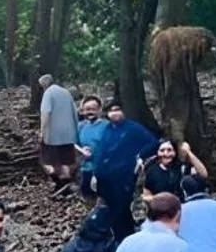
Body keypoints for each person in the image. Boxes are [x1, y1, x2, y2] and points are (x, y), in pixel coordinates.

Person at [88, 101, 160, 241]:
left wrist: (140, 156)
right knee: (109, 210)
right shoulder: (107, 129)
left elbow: (152, 141)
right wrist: (95, 174)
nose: (115, 113)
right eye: (112, 110)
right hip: (105, 177)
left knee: (123, 209)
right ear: (107, 114)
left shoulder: (133, 128)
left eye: (118, 110)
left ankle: (127, 238)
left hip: (124, 176)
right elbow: (100, 153)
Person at [37, 76, 82, 195]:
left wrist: (42, 132)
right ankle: (67, 184)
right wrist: (75, 130)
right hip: (68, 132)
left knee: (47, 161)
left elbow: (46, 114)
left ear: (43, 85)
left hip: (53, 134)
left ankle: (59, 184)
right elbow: (75, 113)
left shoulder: (48, 93)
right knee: (66, 160)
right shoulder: (66, 92)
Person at [140, 138, 208, 200]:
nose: (165, 154)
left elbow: (203, 174)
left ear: (175, 152)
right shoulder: (151, 170)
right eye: (162, 150)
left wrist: (188, 152)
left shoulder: (182, 168)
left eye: (169, 150)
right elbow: (146, 196)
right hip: (161, 209)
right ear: (157, 153)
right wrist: (162, 199)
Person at [74, 95, 108, 197]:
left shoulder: (107, 126)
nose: (90, 112)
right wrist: (81, 150)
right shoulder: (80, 126)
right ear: (83, 111)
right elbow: (72, 144)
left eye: (93, 109)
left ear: (100, 109)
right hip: (84, 170)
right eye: (87, 109)